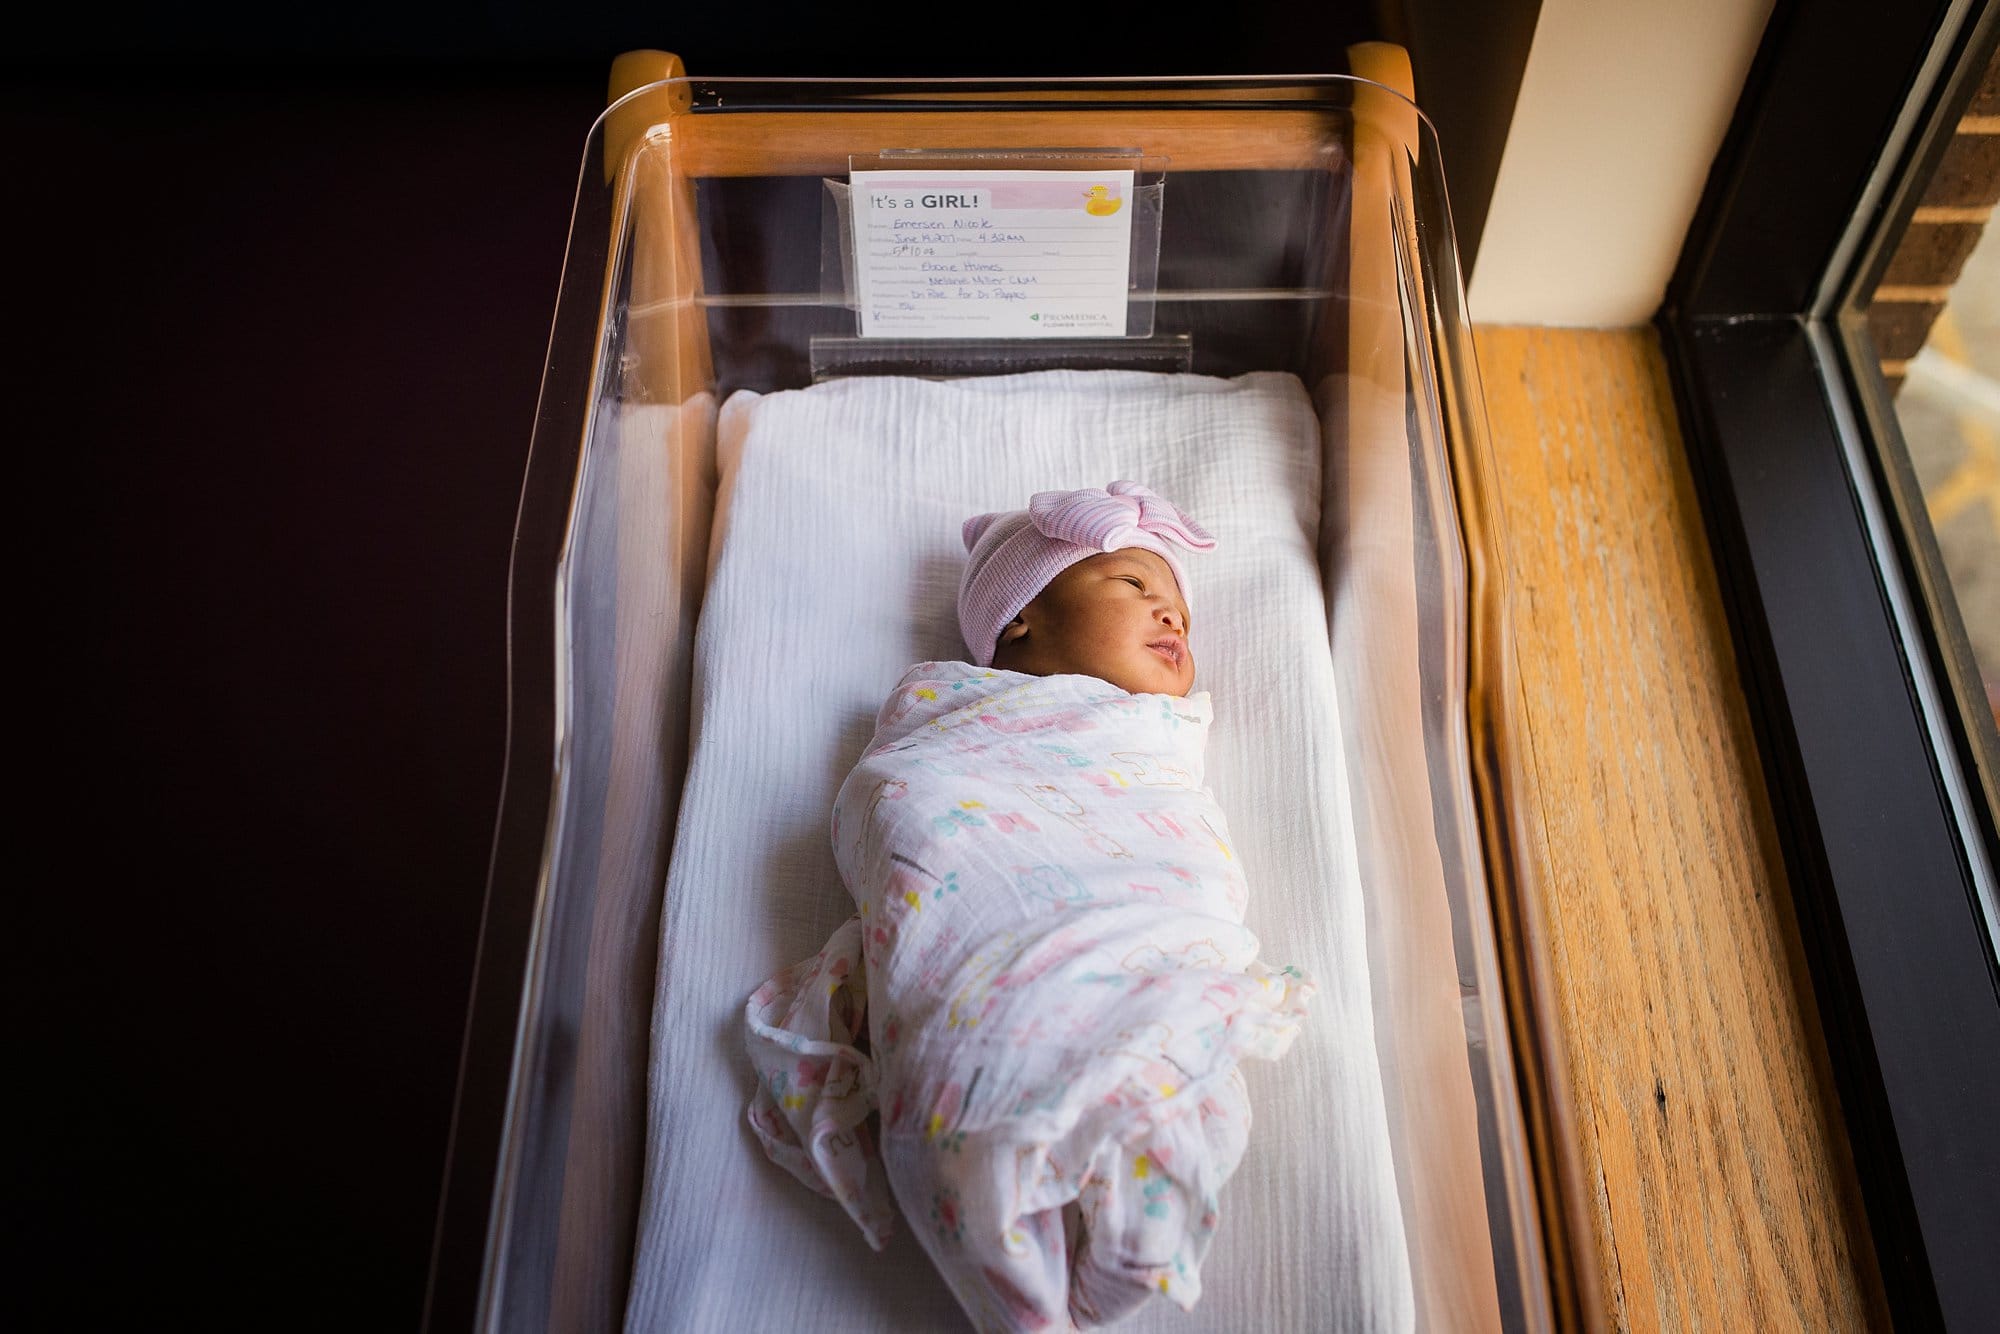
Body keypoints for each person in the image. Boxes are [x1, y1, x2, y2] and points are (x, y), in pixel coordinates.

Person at [745, 482, 1312, 1332]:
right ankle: (1020, 1294)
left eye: (1180, 612)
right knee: (963, 1126)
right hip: (986, 950)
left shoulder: (1152, 742)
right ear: (1021, 621)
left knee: (1184, 1102)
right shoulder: (948, 730)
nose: (1172, 618)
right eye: (1133, 586)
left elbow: (1175, 839)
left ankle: (1132, 1251)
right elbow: (915, 812)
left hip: (1143, 929)